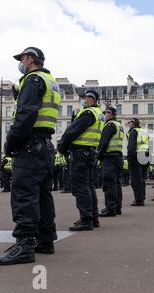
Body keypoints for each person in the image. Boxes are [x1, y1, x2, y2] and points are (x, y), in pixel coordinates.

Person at [0, 47, 61, 266]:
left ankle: (24, 244)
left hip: (30, 145)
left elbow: (26, 114)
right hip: (45, 144)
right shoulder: (50, 81)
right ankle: (45, 240)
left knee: (24, 194)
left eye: (22, 58)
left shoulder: (32, 80)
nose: (20, 63)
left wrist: (10, 142)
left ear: (29, 59)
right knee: (42, 194)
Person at [58, 90, 104, 231]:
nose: (83, 100)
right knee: (89, 185)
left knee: (80, 186)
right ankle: (93, 217)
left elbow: (72, 131)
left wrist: (62, 146)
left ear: (91, 99)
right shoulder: (99, 115)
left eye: (85, 98)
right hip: (90, 152)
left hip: (80, 153)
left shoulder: (88, 113)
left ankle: (86, 219)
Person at [97, 106, 124, 217]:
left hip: (109, 157)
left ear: (112, 114)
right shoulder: (119, 125)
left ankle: (110, 208)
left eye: (107, 113)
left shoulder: (109, 125)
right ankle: (117, 207)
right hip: (117, 156)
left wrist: (98, 155)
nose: (105, 115)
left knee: (109, 183)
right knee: (116, 183)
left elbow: (104, 142)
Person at [126, 118, 149, 206]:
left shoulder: (133, 132)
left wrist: (130, 158)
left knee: (136, 180)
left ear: (133, 123)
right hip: (145, 156)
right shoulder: (144, 132)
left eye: (130, 123)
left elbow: (131, 147)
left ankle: (139, 200)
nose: (129, 125)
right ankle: (142, 197)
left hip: (136, 158)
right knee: (142, 179)